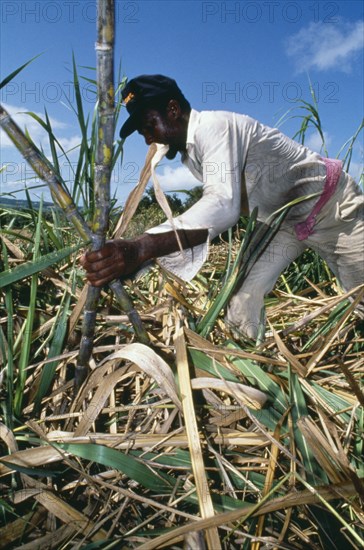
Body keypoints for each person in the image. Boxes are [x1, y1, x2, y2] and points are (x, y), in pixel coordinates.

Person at [81, 74, 364, 339]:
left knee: (360, 300)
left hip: (334, 211)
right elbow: (211, 214)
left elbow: (222, 206)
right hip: (284, 225)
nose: (148, 139)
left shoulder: (214, 128)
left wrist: (140, 248)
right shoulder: (190, 158)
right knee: (240, 295)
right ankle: (247, 374)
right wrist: (133, 260)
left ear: (173, 109)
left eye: (149, 126)